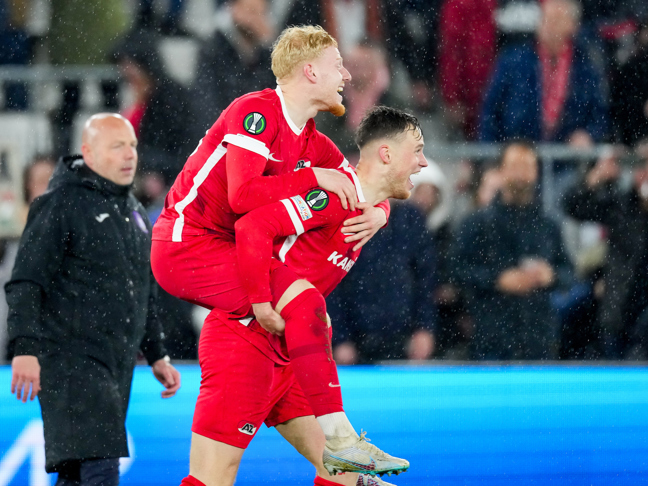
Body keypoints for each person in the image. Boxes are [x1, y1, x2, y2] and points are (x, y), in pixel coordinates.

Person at [197, 105, 425, 486]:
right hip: (246, 339)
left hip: (292, 352)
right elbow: (253, 226)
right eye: (416, 150)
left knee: (346, 475)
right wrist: (261, 304)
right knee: (211, 480)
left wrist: (382, 210)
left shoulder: (363, 205)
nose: (423, 162)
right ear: (386, 154)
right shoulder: (334, 195)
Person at [7, 113, 181, 485]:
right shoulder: (60, 203)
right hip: (71, 361)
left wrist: (157, 353)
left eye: (132, 145)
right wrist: (25, 348)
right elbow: (26, 281)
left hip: (115, 363)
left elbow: (142, 289)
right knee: (101, 466)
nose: (130, 154)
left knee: (77, 472)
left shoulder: (134, 211)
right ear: (88, 152)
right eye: (117, 146)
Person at [454, 140, 573, 360]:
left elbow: (568, 271)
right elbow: (456, 270)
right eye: (515, 165)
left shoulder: (548, 226)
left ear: (536, 172)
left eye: (527, 166)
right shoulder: (477, 224)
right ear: (501, 171)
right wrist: (497, 280)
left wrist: (551, 276)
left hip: (538, 339)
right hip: (491, 339)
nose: (521, 173)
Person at [479, 0, 608, 146]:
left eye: (556, 20)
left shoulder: (586, 67)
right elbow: (490, 112)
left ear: (572, 26)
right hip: (517, 152)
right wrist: (490, 153)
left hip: (566, 155)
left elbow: (599, 116)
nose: (548, 25)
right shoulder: (513, 61)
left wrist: (589, 135)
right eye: (544, 18)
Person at [562, 146, 648, 358]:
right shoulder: (621, 206)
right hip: (619, 314)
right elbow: (573, 205)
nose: (645, 172)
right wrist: (598, 174)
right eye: (641, 165)